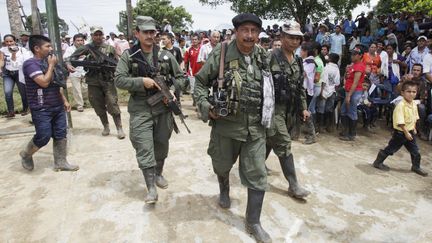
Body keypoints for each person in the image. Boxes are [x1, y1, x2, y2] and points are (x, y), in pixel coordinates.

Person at [194, 13, 272, 242]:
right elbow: (199, 82)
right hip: (226, 127)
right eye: (245, 30)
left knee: (258, 175)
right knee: (221, 165)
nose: (249, 35)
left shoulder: (263, 57)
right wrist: (205, 105)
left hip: (255, 129)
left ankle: (253, 222)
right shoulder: (221, 53)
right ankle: (224, 188)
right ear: (236, 32)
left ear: (259, 34)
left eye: (254, 31)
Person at [114, 16, 185, 204]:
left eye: (152, 32)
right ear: (137, 33)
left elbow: (181, 77)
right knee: (144, 146)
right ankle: (151, 187)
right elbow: (119, 79)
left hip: (163, 107)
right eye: (145, 32)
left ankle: (159, 173)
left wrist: (171, 89)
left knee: (161, 143)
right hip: (140, 108)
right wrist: (140, 82)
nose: (149, 35)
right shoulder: (129, 56)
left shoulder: (165, 56)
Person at [20, 35, 79, 172]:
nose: (51, 49)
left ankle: (61, 162)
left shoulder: (49, 63)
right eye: (47, 46)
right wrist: (52, 65)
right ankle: (26, 154)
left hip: (57, 106)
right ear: (37, 48)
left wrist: (64, 100)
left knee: (60, 134)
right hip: (41, 108)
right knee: (43, 136)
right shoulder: (30, 64)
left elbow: (56, 84)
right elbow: (44, 82)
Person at [266, 21, 311, 199]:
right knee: (284, 143)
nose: (294, 41)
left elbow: (300, 87)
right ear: (282, 37)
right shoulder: (270, 57)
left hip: (290, 110)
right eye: (290, 37)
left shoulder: (298, 60)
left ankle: (254, 169)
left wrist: (304, 108)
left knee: (271, 140)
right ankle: (294, 185)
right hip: (273, 109)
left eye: (297, 38)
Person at [66, 26, 125, 139]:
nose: (98, 37)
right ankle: (106, 126)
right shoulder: (86, 48)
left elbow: (117, 64)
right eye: (95, 35)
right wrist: (69, 65)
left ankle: (119, 128)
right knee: (97, 105)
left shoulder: (109, 49)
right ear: (92, 36)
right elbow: (70, 58)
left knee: (113, 103)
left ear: (103, 35)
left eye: (100, 34)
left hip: (108, 81)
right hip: (93, 82)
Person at [372, 81, 428, 177]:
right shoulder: (400, 105)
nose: (411, 94)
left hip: (410, 132)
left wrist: (414, 128)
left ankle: (416, 167)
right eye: (408, 91)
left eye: (414, 92)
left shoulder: (414, 104)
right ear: (402, 93)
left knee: (415, 151)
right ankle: (378, 162)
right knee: (391, 149)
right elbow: (400, 122)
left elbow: (415, 117)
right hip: (401, 133)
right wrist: (406, 132)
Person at [339, 46, 366, 141]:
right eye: (352, 54)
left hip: (354, 92)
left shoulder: (359, 66)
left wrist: (349, 95)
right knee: (344, 110)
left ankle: (351, 134)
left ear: (360, 56)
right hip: (350, 91)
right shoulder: (353, 65)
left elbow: (355, 82)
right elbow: (349, 78)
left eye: (355, 54)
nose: (352, 56)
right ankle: (347, 131)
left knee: (351, 112)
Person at [0, 34, 30, 117]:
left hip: (19, 72)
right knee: (7, 92)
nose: (9, 43)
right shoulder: (2, 50)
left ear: (15, 41)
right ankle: (11, 111)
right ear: (4, 42)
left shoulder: (22, 50)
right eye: (7, 41)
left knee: (23, 92)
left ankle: (25, 109)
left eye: (11, 41)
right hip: (8, 74)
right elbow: (1, 60)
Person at [63, 33, 87, 112]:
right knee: (77, 89)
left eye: (81, 40)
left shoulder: (86, 49)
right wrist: (75, 57)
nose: (80, 42)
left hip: (85, 71)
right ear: (74, 41)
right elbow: (65, 58)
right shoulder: (70, 49)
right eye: (78, 40)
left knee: (85, 88)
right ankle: (80, 105)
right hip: (74, 71)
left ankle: (84, 101)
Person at [318, 53, 340, 132]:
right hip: (332, 91)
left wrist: (321, 92)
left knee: (321, 109)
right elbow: (337, 82)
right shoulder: (337, 69)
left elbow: (323, 80)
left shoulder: (326, 67)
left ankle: (320, 126)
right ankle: (328, 126)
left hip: (324, 90)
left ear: (330, 59)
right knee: (329, 109)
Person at [183, 33, 203, 105]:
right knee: (192, 90)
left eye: (195, 39)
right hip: (192, 72)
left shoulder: (203, 48)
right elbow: (185, 62)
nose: (194, 41)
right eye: (192, 39)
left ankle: (198, 103)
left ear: (198, 40)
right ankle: (195, 101)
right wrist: (186, 71)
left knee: (200, 89)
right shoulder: (188, 50)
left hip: (202, 73)